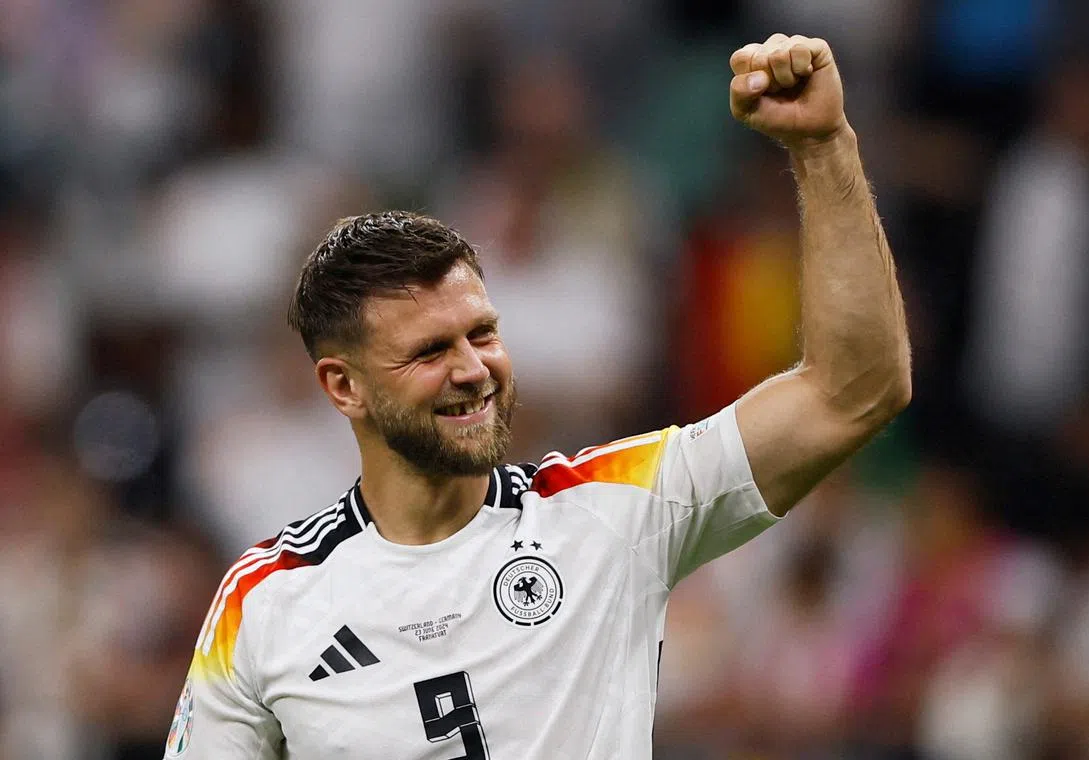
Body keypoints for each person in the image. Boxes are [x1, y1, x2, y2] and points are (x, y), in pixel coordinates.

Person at [165, 33, 911, 760]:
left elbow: (854, 392)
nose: (472, 370)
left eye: (482, 334)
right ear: (343, 386)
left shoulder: (610, 512)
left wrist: (823, 150)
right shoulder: (264, 604)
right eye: (430, 350)